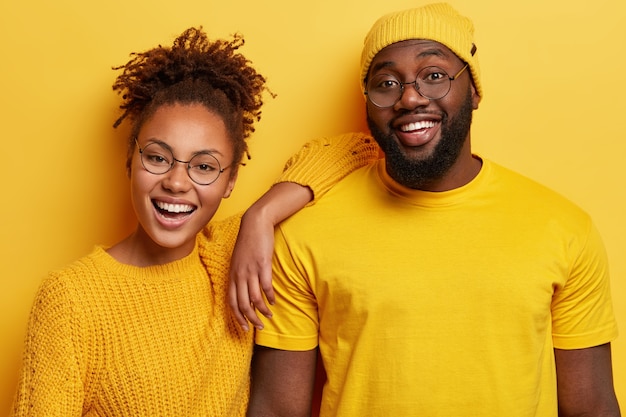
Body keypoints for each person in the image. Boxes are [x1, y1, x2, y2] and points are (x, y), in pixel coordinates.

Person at [234, 3, 622, 416]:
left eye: (434, 76)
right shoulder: (302, 237)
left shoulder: (564, 229)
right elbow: (276, 409)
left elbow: (593, 407)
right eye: (386, 83)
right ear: (369, 103)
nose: (411, 97)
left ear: (472, 90)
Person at [9, 27, 379, 416]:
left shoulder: (226, 255)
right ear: (130, 161)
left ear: (230, 180)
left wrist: (261, 215)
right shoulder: (71, 299)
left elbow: (354, 148)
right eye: (157, 157)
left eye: (204, 166)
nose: (176, 182)